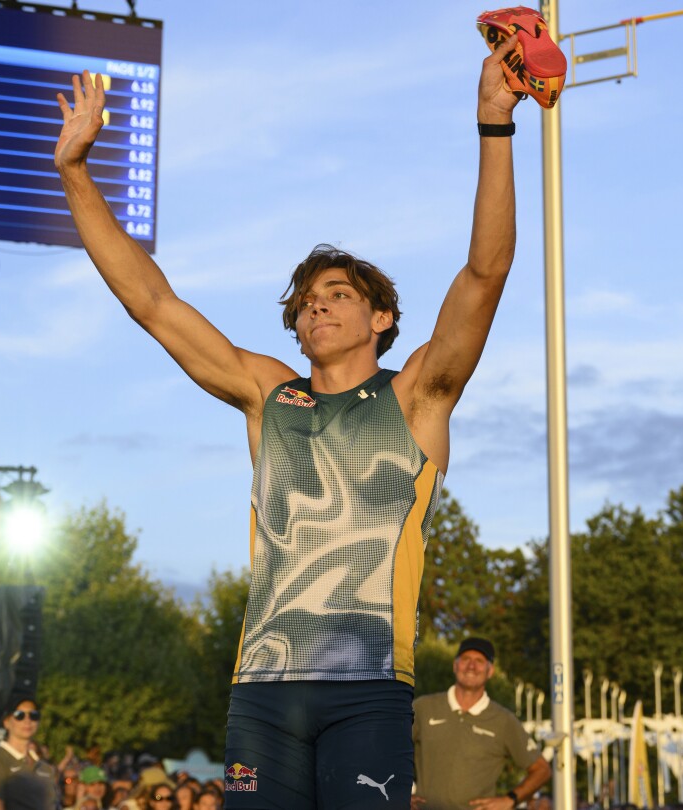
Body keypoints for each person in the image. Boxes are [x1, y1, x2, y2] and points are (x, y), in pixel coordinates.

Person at [53, 23, 525, 810]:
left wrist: (494, 124)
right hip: (262, 694)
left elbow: (487, 270)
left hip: (370, 688)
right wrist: (75, 173)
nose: (318, 307)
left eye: (337, 294)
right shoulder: (268, 395)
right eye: (306, 302)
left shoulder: (418, 395)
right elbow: (153, 303)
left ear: (381, 318)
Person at [410, 638, 549, 810]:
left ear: (490, 671)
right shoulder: (424, 707)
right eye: (466, 659)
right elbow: (388, 748)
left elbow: (541, 770)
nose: (471, 666)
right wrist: (401, 791)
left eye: (479, 661)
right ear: (455, 665)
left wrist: (510, 799)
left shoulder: (503, 720)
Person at [0, 701, 56, 810]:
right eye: (19, 715)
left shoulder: (45, 768)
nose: (27, 720)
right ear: (6, 722)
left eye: (33, 715)